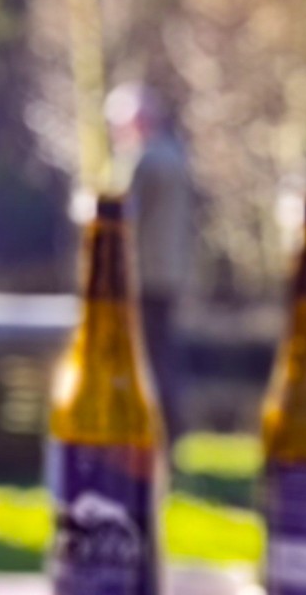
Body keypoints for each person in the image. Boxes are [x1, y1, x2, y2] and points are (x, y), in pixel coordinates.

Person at [108, 82, 193, 445]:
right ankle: (169, 434)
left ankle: (151, 434)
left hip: (140, 275)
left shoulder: (142, 160)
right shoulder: (176, 155)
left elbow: (118, 216)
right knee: (162, 354)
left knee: (145, 358)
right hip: (168, 273)